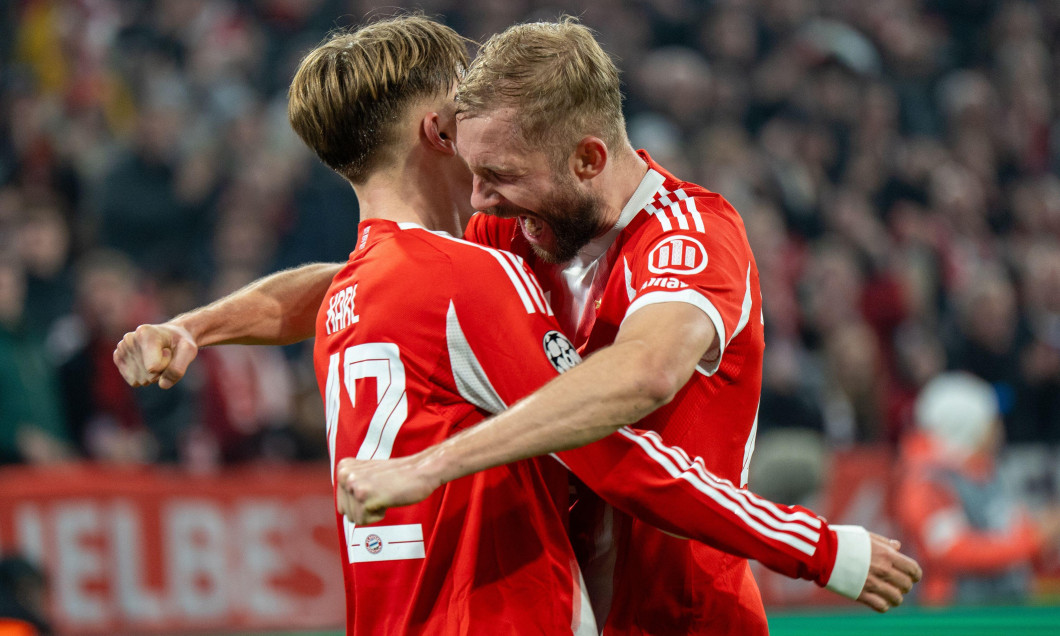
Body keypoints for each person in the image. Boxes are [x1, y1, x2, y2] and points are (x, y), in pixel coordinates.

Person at [114, 15, 920, 635]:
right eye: (478, 169)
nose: (484, 200)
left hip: (681, 611)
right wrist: (198, 326)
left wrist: (433, 465)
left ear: (588, 160)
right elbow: (370, 281)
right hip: (541, 603)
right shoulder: (505, 238)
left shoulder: (687, 238)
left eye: (501, 176)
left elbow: (635, 384)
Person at [896, 372, 1060, 606]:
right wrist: (1031, 542)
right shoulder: (928, 480)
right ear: (967, 423)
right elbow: (948, 551)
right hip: (958, 614)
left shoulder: (989, 471)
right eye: (990, 420)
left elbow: (1014, 529)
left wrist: (1044, 535)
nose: (999, 428)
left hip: (1008, 602)